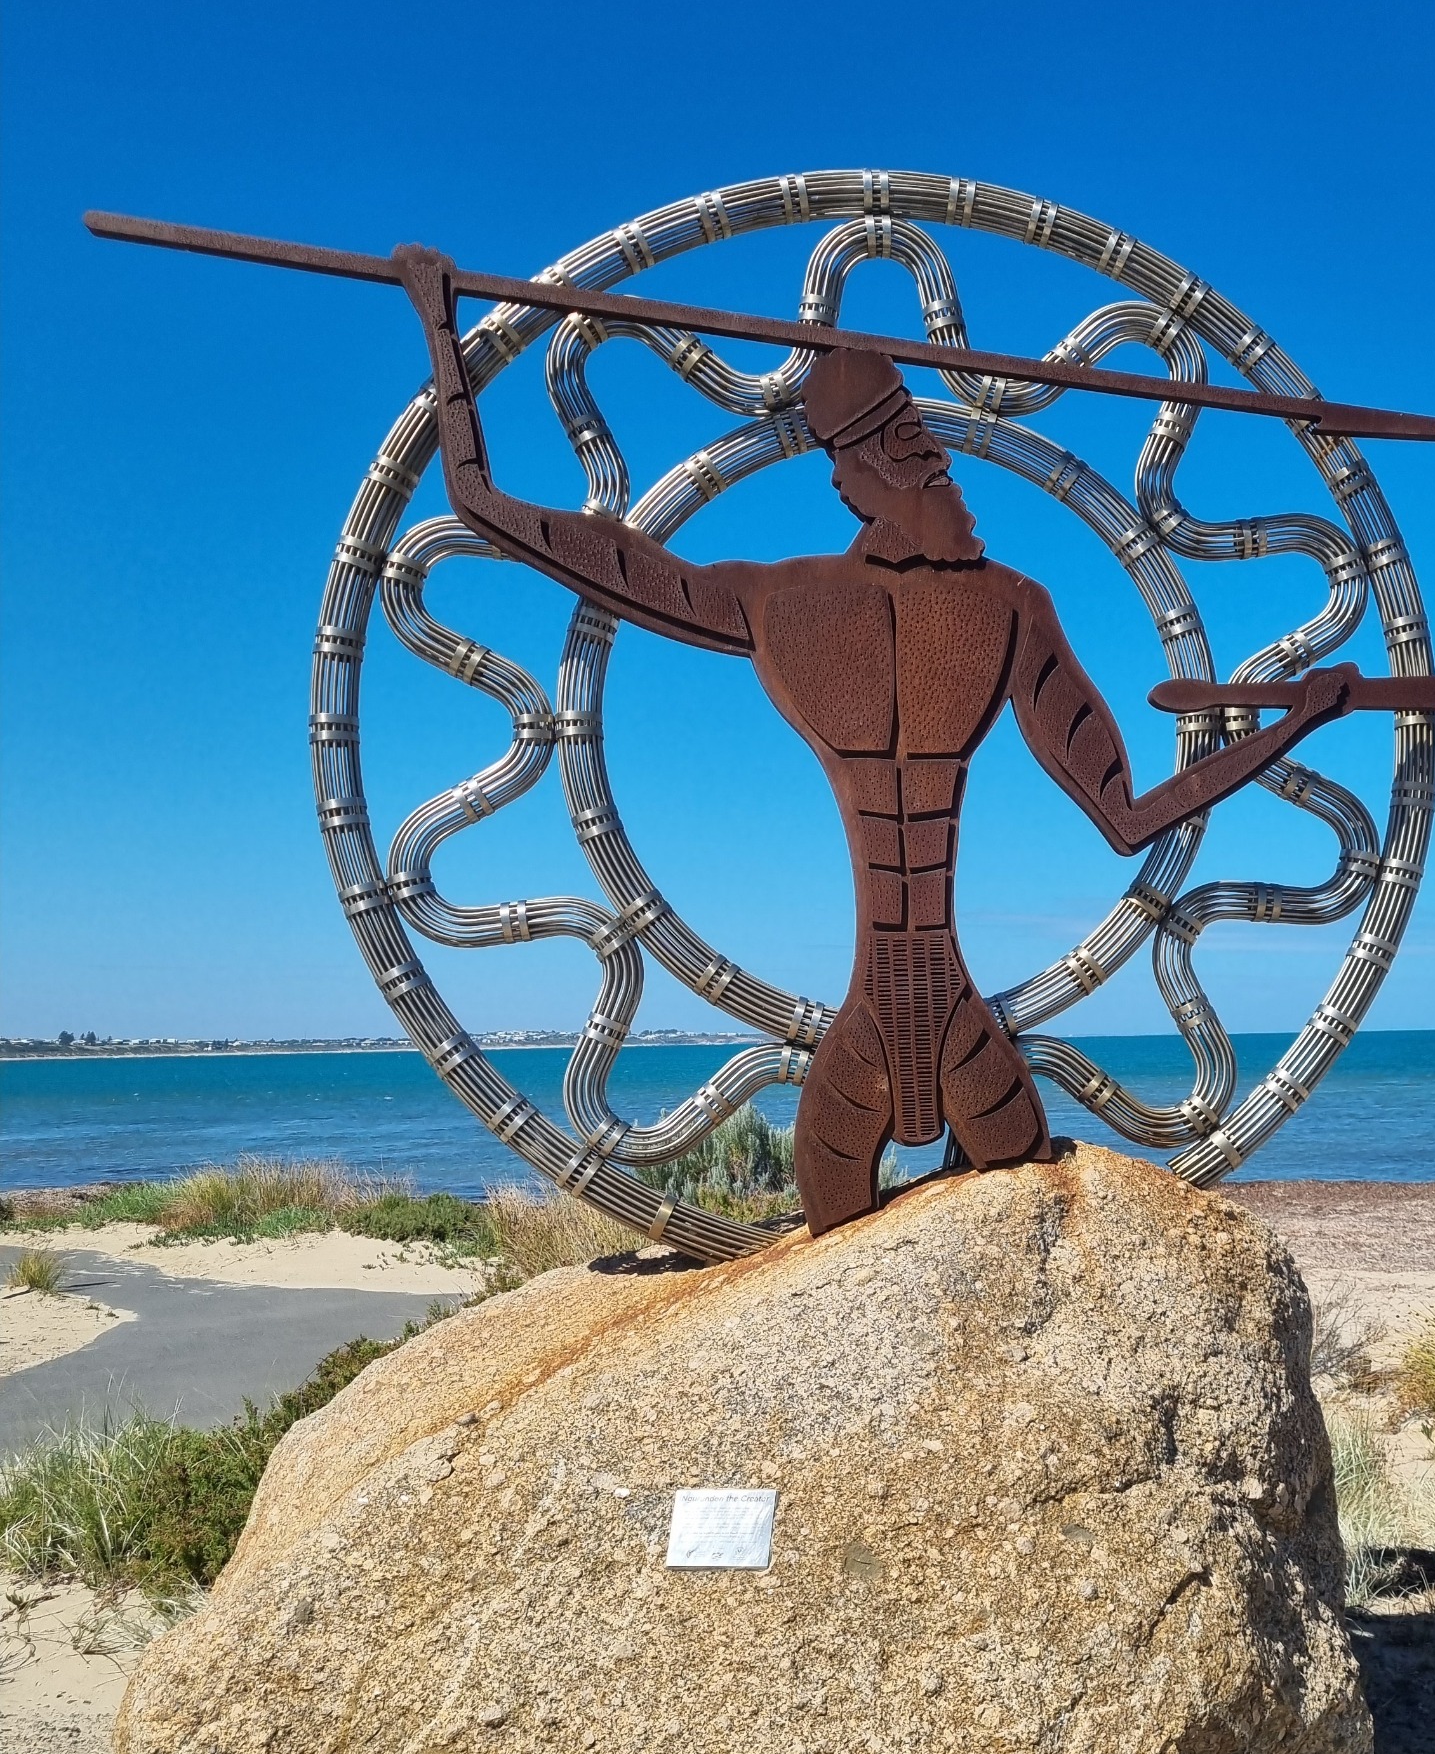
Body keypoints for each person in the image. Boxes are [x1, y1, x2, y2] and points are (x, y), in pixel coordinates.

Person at [392, 248, 1342, 1231]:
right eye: (905, 445)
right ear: (855, 473)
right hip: (874, 1031)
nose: (936, 462)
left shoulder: (1009, 606)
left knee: (1027, 1231)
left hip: (958, 1021)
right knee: (835, 1254)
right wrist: (440, 333)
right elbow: (492, 512)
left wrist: (1296, 719)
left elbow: (1129, 814)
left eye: (928, 440)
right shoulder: (785, 602)